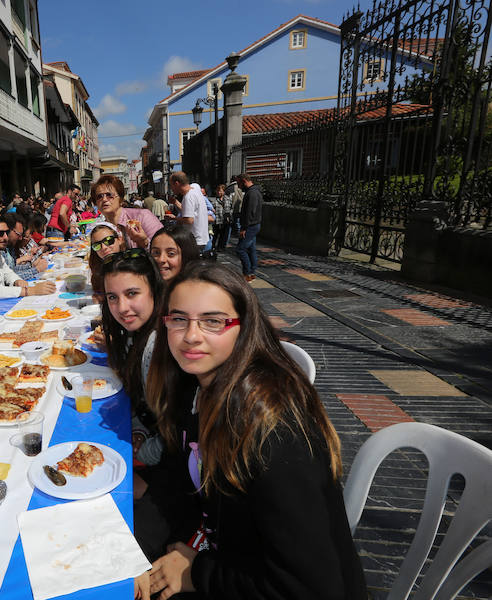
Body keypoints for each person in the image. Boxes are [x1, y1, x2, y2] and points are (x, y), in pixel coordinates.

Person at [136, 263, 367, 600]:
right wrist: (133, 551)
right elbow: (177, 478)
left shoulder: (272, 435)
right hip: (224, 554)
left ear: (243, 329)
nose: (191, 335)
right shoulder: (195, 387)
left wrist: (198, 572)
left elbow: (311, 587)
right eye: (179, 318)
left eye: (213, 321)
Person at [97, 249, 164, 470]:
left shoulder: (157, 345)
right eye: (113, 297)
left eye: (132, 293)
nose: (122, 308)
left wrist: (142, 452)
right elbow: (143, 401)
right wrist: (140, 430)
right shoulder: (132, 333)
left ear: (153, 290)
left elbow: (177, 431)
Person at [93, 175, 162, 249]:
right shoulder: (103, 228)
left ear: (121, 199)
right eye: (99, 196)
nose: (104, 199)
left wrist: (144, 242)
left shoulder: (142, 216)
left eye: (109, 195)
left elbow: (164, 248)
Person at [169, 171, 210, 253]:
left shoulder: (188, 197)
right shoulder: (195, 188)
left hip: (194, 240)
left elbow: (189, 220)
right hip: (202, 237)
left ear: (177, 183)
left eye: (171, 185)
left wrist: (175, 218)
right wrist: (176, 202)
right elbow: (189, 211)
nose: (171, 189)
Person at [3, 212, 47, 281]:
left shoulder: (9, 247)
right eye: (18, 234)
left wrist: (31, 266)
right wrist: (36, 270)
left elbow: (13, 268)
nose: (20, 238)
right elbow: (7, 278)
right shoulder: (0, 250)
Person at [236, 173, 263, 282]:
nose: (238, 186)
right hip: (254, 225)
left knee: (240, 249)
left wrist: (244, 228)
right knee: (251, 249)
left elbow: (250, 212)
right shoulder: (253, 192)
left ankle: (247, 273)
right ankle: (252, 272)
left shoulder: (252, 193)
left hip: (251, 226)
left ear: (244, 181)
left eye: (238, 183)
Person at [87, 222, 126, 295]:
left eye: (108, 240)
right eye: (97, 245)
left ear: (120, 240)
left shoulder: (131, 267)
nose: (104, 247)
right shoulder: (98, 270)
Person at [212, 183, 234, 251]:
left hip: (224, 220)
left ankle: (220, 247)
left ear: (224, 191)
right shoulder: (215, 199)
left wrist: (227, 217)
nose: (219, 192)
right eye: (218, 190)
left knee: (222, 235)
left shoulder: (226, 199)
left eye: (220, 190)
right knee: (214, 235)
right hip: (216, 220)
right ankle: (212, 246)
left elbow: (228, 209)